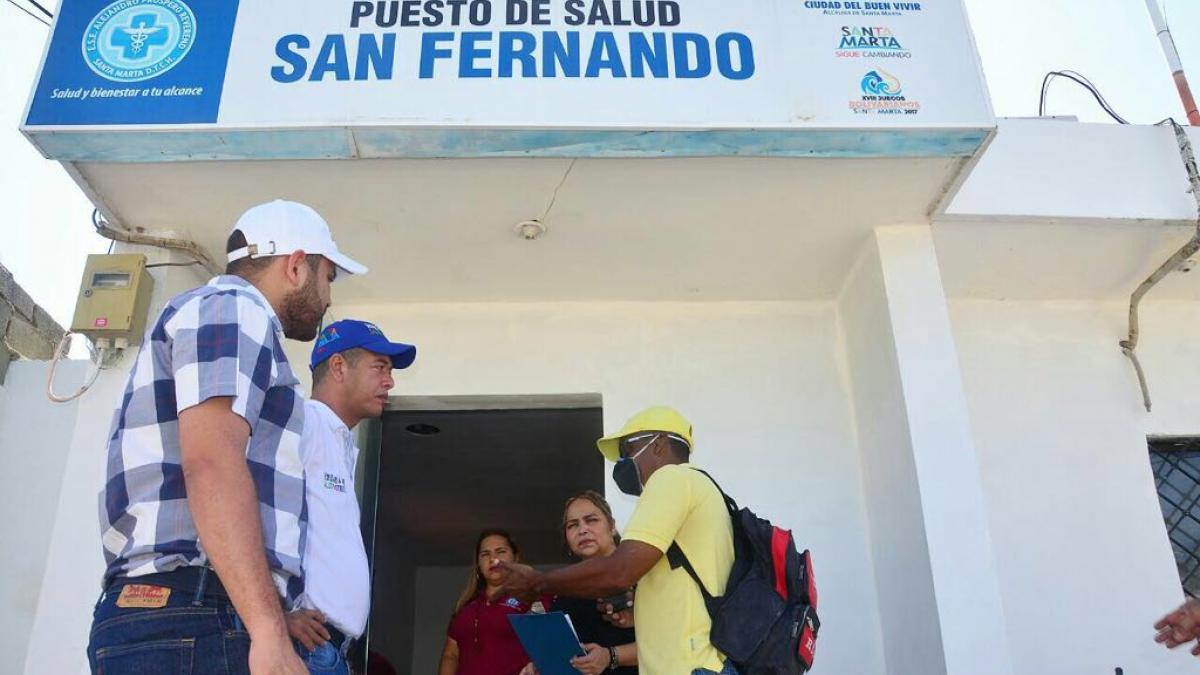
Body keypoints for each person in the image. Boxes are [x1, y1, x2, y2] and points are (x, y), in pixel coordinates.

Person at [88, 199, 366, 675]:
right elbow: (212, 462)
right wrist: (268, 631)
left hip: (181, 614)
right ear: (297, 266)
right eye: (328, 278)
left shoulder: (219, 315)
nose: (328, 299)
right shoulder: (235, 309)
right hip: (196, 615)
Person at [500, 406, 737, 675]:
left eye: (627, 450)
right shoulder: (698, 487)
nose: (623, 461)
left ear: (658, 444)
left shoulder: (671, 478)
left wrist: (538, 582)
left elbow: (620, 571)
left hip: (689, 667)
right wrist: (638, 616)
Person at [284, 320, 416, 674]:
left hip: (328, 648)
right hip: (304, 645)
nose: (389, 382)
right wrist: (277, 612)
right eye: (380, 367)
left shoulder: (342, 441)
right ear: (339, 366)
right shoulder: (304, 423)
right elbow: (246, 508)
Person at [520, 491, 638, 675]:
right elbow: (564, 656)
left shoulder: (639, 573)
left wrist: (611, 656)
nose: (582, 530)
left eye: (591, 520)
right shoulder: (564, 591)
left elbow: (668, 643)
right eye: (573, 525)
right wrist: (540, 667)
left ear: (612, 526)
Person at [439, 530, 539, 675]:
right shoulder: (465, 607)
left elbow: (550, 647)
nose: (493, 559)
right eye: (485, 554)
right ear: (478, 563)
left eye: (501, 551)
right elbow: (451, 655)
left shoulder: (531, 597)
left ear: (516, 558)